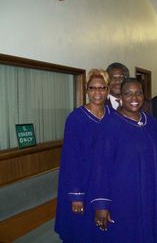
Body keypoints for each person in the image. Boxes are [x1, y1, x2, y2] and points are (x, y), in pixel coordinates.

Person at [90, 78, 157, 242]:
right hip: (122, 195)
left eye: (138, 93)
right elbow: (100, 166)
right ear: (120, 97)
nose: (134, 98)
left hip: (150, 193)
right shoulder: (109, 124)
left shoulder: (150, 122)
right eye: (128, 94)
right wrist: (101, 204)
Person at [55, 69, 112, 242]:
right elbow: (70, 159)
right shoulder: (76, 118)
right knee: (81, 230)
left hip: (106, 181)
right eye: (92, 88)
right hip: (82, 181)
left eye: (102, 88)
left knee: (104, 229)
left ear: (108, 90)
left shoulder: (113, 117)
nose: (97, 92)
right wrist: (76, 196)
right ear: (87, 90)